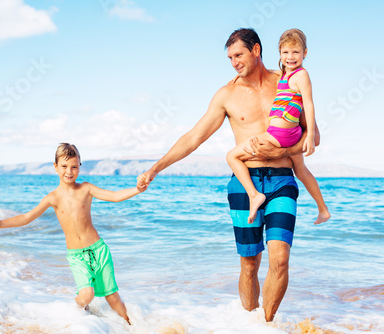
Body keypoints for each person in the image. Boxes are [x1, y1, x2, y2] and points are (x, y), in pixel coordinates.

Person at [137, 28, 322, 322]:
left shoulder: (287, 81)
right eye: (230, 58)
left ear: (256, 50)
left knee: (280, 259)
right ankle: (250, 324)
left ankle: (267, 325)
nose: (234, 62)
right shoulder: (227, 94)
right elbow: (194, 137)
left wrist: (280, 153)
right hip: (244, 183)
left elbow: (313, 137)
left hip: (282, 181)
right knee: (250, 263)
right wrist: (155, 168)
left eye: (238, 55)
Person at [0, 143, 146, 324]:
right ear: (55, 167)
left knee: (112, 297)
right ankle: (77, 314)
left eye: (74, 167)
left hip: (99, 251)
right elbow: (27, 217)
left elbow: (114, 196)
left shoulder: (86, 188)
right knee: (86, 295)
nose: (69, 171)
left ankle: (130, 326)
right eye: (64, 166)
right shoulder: (53, 197)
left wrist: (137, 189)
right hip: (77, 256)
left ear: (79, 167)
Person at [226, 29, 330, 224]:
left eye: (295, 52)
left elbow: (309, 103)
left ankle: (254, 195)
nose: (290, 57)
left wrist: (309, 137)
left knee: (231, 156)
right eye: (285, 53)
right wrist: (240, 77)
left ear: (305, 53)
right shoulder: (285, 74)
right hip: (288, 133)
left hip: (279, 134)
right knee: (301, 169)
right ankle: (323, 209)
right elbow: (272, 72)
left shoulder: (301, 76)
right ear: (280, 54)